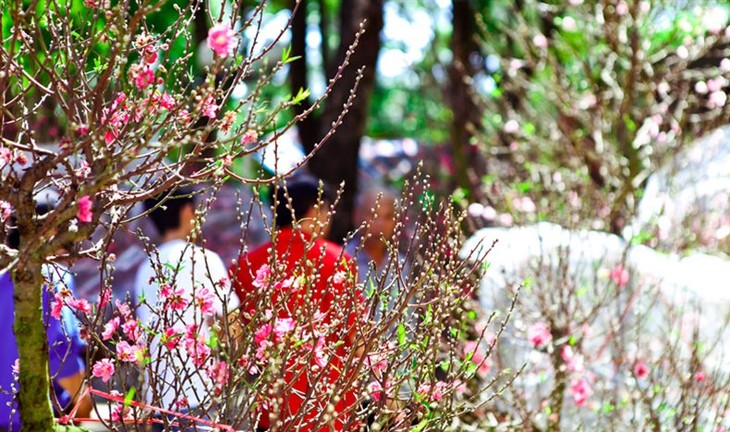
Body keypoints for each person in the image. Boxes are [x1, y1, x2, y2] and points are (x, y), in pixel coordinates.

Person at [231, 176, 363, 432]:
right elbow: (357, 336)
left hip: (272, 408)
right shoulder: (337, 260)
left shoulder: (246, 266)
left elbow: (237, 336)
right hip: (330, 408)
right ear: (315, 211)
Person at [134, 186, 239, 420]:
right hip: (196, 393)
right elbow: (233, 330)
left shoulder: (145, 268)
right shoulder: (205, 260)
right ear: (186, 212)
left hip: (157, 397)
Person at [1, 205, 93, 431]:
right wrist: (84, 405)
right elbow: (60, 352)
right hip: (40, 417)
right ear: (50, 235)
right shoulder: (51, 277)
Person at [345, 186, 410, 319]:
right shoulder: (342, 261)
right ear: (357, 216)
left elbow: (408, 319)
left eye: (388, 217)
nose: (380, 224)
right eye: (373, 215)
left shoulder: (401, 264)